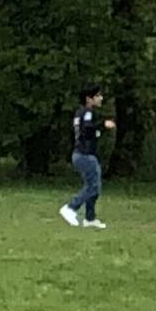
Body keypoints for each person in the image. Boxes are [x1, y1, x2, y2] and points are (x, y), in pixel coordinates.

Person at [60, 85, 115, 230]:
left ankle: (90, 218)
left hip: (81, 154)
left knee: (94, 187)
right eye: (97, 96)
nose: (101, 98)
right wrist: (103, 125)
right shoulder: (88, 112)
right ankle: (70, 208)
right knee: (93, 187)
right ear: (89, 99)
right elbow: (88, 128)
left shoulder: (80, 113)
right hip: (85, 155)